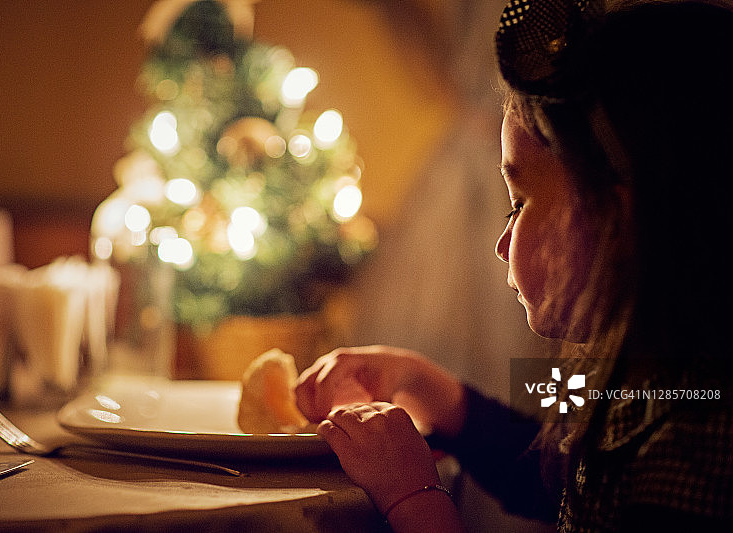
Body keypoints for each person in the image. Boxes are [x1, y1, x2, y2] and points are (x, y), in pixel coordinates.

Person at [294, 1, 733, 531]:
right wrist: (439, 395)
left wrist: (413, 497)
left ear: (619, 219)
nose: (502, 243)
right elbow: (558, 483)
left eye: (519, 203)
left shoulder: (691, 444)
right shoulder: (662, 389)